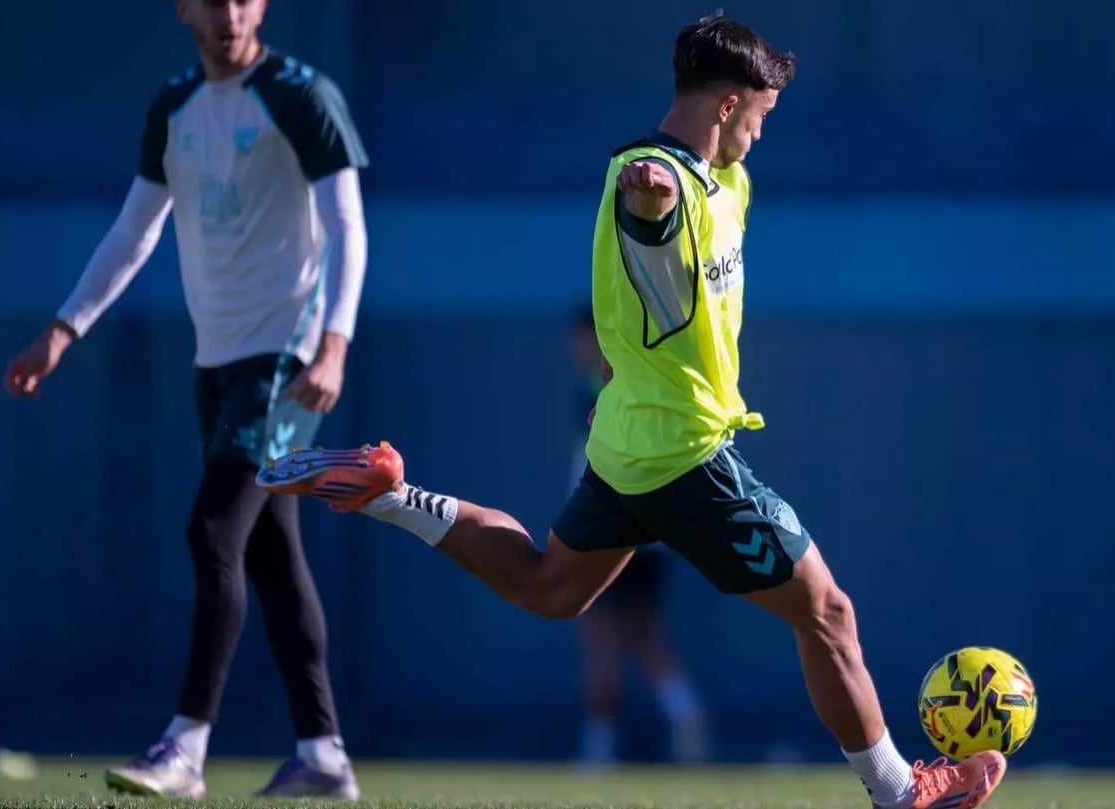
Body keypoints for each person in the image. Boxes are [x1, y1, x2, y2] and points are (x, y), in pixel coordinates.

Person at [258, 12, 1006, 809]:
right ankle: (901, 792)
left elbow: (663, 280)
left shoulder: (729, 182)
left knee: (552, 588)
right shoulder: (648, 178)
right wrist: (649, 207)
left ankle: (387, 492)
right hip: (685, 455)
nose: (761, 131)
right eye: (758, 114)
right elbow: (648, 220)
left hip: (627, 441)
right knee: (827, 612)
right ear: (727, 103)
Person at [2, 0, 367, 800]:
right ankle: (323, 752)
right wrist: (62, 330)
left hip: (284, 358)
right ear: (184, 9)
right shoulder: (175, 106)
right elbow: (133, 232)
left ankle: (184, 747)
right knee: (269, 553)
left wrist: (334, 343)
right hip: (218, 361)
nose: (228, 12)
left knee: (212, 531)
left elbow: (346, 223)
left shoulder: (301, 94)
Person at [566, 307, 710, 768]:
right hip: (651, 533)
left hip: (613, 529)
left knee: (601, 636)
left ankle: (599, 745)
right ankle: (685, 714)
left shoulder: (606, 385)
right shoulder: (633, 382)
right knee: (642, 636)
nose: (578, 348)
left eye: (585, 338)